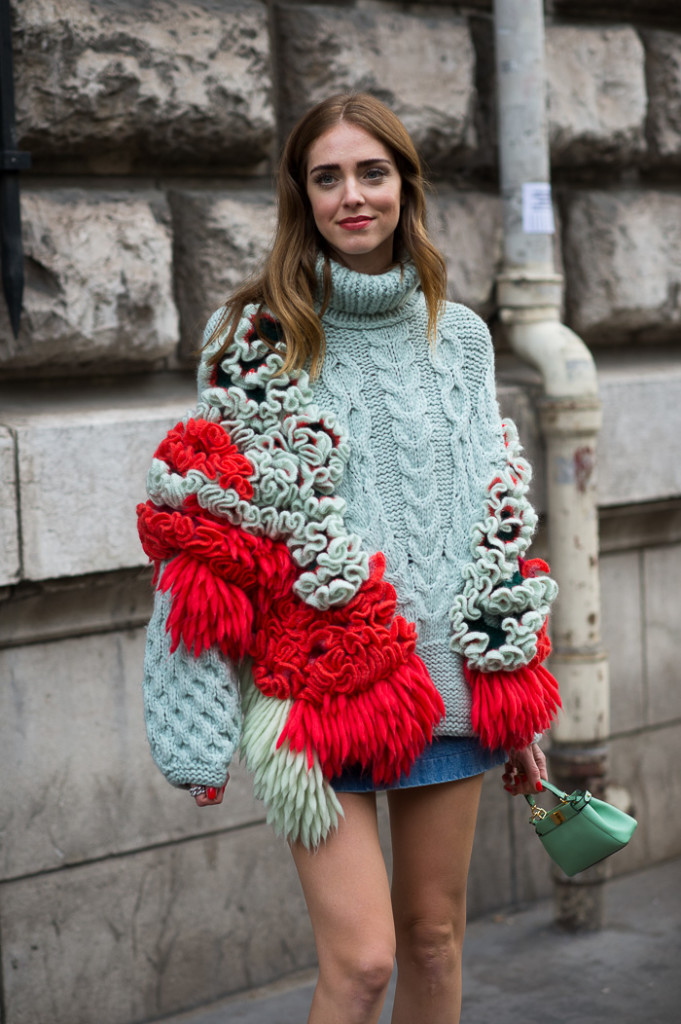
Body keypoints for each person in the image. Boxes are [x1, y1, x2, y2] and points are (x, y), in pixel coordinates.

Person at [137, 93, 561, 1024]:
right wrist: (193, 712)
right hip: (314, 688)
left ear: (405, 185)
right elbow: (200, 525)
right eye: (326, 177)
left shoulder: (461, 336)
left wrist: (516, 687)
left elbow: (489, 524)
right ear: (302, 195)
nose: (352, 196)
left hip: (448, 683)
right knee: (364, 962)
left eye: (372, 172)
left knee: (436, 944)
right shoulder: (251, 337)